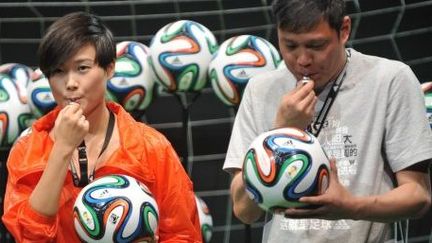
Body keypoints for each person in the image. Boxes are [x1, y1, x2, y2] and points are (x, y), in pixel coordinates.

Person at [223, 0, 432, 242]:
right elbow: (244, 211)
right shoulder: (261, 90)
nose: (302, 60)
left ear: (344, 30)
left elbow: (418, 196)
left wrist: (350, 207)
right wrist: (280, 132)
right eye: (290, 45)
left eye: (316, 45)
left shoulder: (390, 80)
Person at [2, 12, 201, 242]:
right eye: (58, 71)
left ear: (109, 69)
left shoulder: (151, 147)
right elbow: (28, 236)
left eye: (82, 68)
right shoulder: (27, 151)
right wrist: (63, 149)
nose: (70, 83)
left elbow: (183, 233)